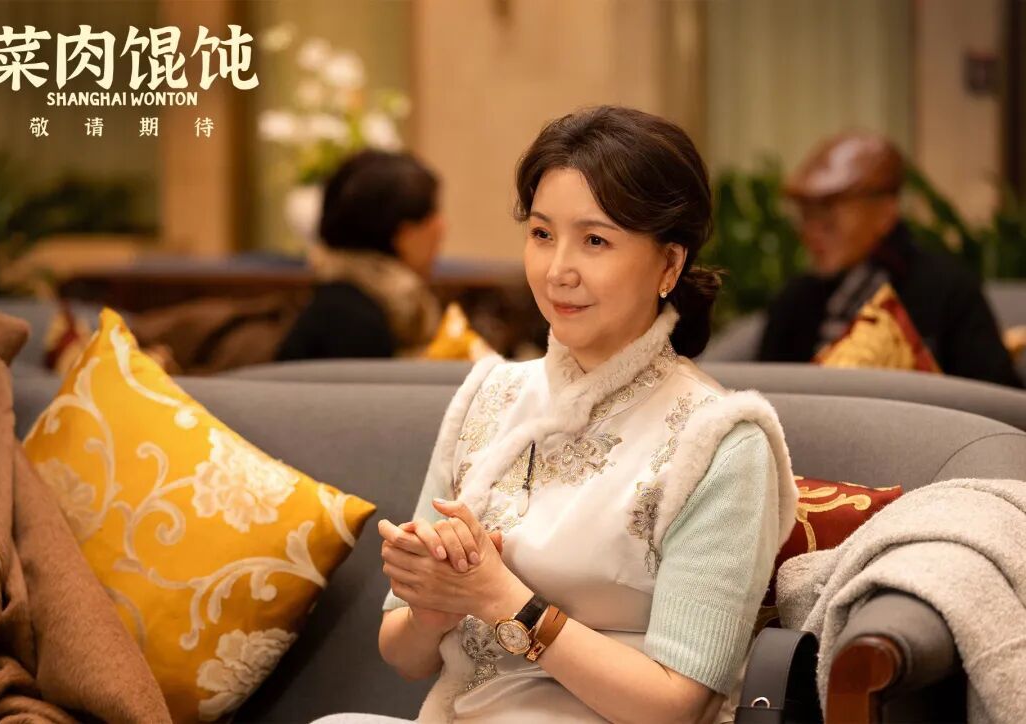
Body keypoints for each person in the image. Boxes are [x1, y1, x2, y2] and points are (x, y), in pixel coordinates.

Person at [316, 107, 799, 724]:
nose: (557, 270)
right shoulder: (488, 394)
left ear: (669, 265)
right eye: (542, 234)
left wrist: (503, 599)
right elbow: (404, 654)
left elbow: (678, 704)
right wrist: (435, 607)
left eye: (595, 241)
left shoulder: (719, 441)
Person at [758, 131, 1022, 388]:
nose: (811, 231)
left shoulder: (948, 290)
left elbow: (996, 400)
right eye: (805, 215)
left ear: (885, 212)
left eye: (828, 215)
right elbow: (764, 394)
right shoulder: (795, 299)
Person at [276, 150, 444, 361]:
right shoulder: (348, 322)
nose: (442, 226)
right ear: (404, 235)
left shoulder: (365, 303)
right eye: (433, 212)